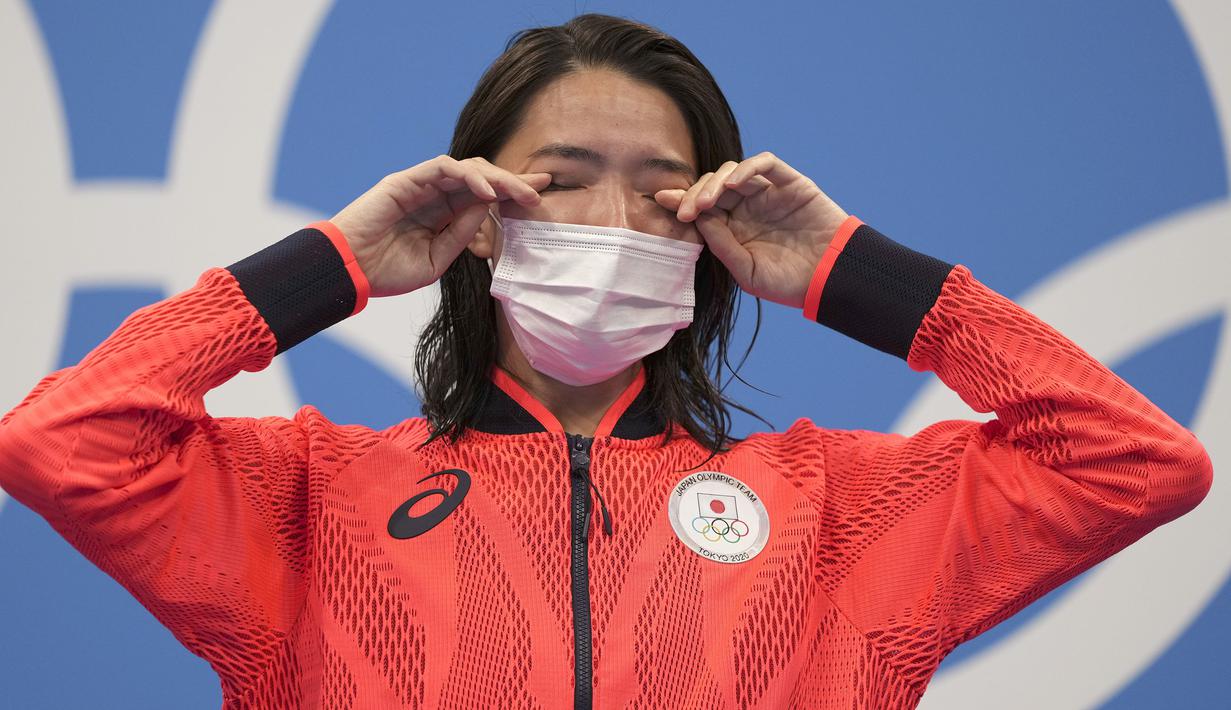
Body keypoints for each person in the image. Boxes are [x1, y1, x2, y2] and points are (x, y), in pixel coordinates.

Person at [0, 12, 1212, 710]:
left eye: (659, 187)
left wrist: (851, 270)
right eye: (564, 179)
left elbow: (1131, 460)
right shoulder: (311, 499)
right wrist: (335, 262)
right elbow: (59, 443)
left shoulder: (836, 512)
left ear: (708, 228)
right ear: (480, 213)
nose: (613, 221)